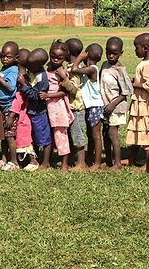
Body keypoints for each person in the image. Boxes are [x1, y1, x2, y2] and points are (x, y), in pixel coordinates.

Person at [127, 33, 149, 171]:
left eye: (137, 48)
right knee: (137, 129)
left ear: (145, 48)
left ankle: (147, 164)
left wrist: (134, 84)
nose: (135, 50)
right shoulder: (144, 63)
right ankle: (131, 159)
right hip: (140, 103)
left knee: (146, 132)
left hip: (147, 104)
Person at [100, 37, 132, 171]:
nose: (111, 55)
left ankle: (117, 163)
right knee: (105, 133)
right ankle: (108, 160)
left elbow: (126, 91)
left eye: (115, 53)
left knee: (113, 133)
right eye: (108, 52)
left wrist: (112, 104)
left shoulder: (120, 70)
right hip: (105, 106)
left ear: (121, 53)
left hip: (116, 107)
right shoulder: (104, 65)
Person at [73, 43, 105, 171]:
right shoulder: (90, 68)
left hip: (95, 106)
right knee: (91, 134)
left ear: (87, 54)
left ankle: (97, 163)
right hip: (91, 106)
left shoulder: (92, 69)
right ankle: (90, 159)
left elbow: (74, 69)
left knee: (96, 135)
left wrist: (79, 58)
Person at [43, 42, 74, 172]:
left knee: (61, 135)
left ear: (65, 58)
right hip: (48, 106)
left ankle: (64, 164)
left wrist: (48, 95)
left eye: (59, 58)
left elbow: (65, 91)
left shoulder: (61, 71)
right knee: (50, 134)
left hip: (58, 107)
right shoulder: (48, 68)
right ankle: (46, 161)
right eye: (53, 56)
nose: (55, 59)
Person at [19, 48, 52, 170]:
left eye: (30, 65)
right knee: (34, 136)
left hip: (39, 112)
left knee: (44, 137)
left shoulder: (42, 78)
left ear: (39, 65)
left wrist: (24, 85)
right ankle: (34, 159)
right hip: (31, 111)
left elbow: (37, 96)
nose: (28, 67)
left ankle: (46, 162)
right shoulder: (33, 71)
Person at [61, 38, 88, 172]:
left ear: (69, 52)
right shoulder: (72, 66)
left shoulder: (75, 70)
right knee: (72, 133)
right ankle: (72, 159)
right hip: (71, 106)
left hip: (76, 107)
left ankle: (81, 162)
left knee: (77, 134)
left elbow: (73, 89)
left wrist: (64, 79)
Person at [0, 41, 20, 171]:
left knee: (10, 135)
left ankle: (14, 161)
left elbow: (10, 88)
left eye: (8, 57)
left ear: (16, 58)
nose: (5, 59)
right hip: (1, 106)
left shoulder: (13, 70)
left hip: (9, 107)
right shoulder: (4, 69)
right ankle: (4, 159)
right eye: (3, 56)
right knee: (4, 135)